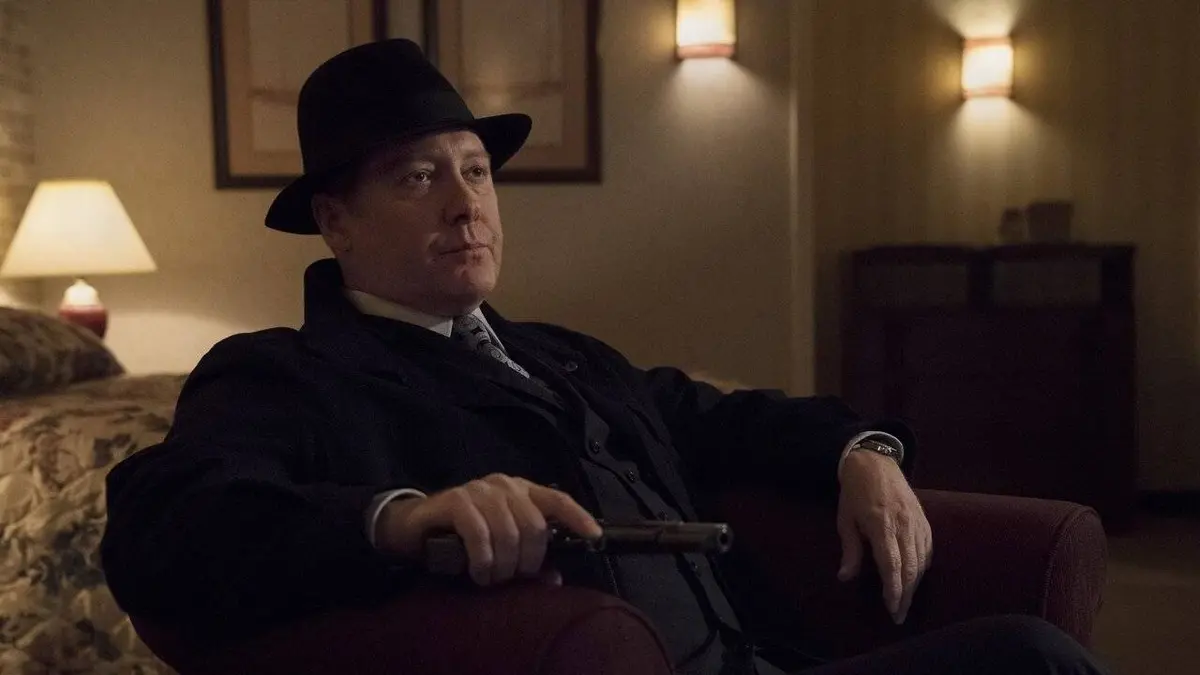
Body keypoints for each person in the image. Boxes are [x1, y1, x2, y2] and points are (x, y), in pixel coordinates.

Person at [100, 39, 1108, 675]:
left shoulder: (564, 354)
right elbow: (167, 528)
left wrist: (864, 451)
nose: (466, 205)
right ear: (336, 222)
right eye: (417, 178)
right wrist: (402, 520)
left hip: (771, 659)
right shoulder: (283, 373)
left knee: (1032, 653)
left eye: (476, 172)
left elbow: (732, 419)